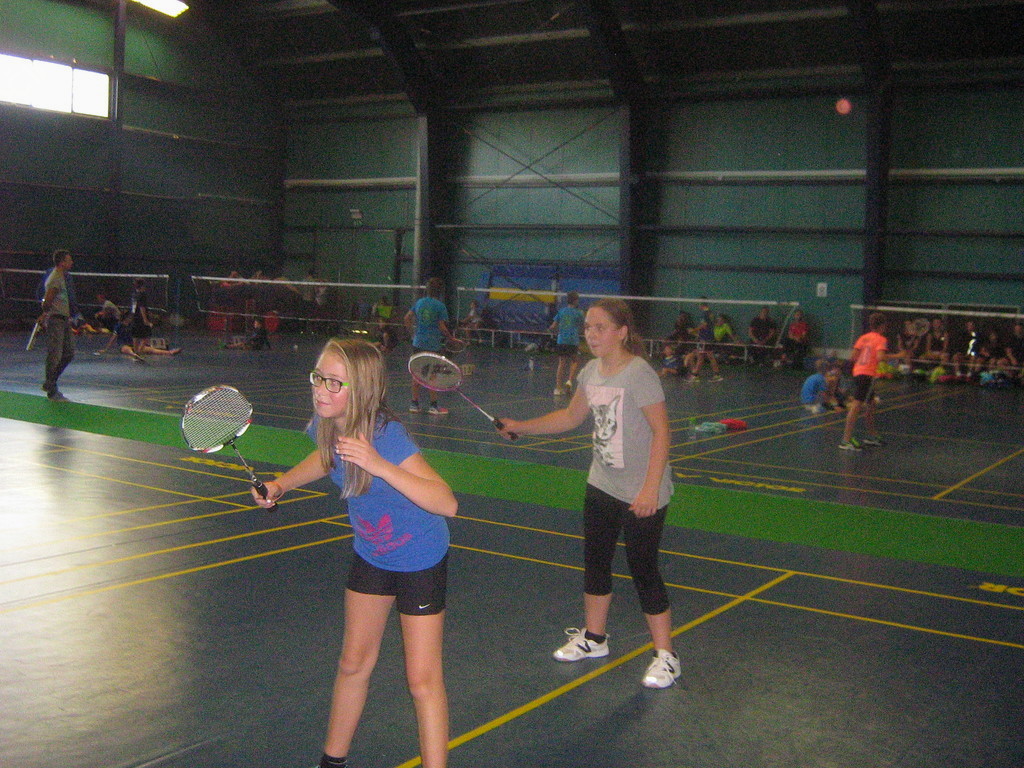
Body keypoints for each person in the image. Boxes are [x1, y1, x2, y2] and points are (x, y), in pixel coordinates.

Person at [251, 338, 457, 768]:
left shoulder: (386, 435)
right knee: (352, 663)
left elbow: (446, 503)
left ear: (361, 389)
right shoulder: (326, 422)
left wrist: (378, 464)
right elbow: (326, 458)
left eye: (334, 382)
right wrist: (282, 484)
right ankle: (332, 762)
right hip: (372, 553)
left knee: (421, 680)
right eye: (318, 377)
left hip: (419, 558)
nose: (320, 389)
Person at [496, 298, 680, 689]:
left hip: (642, 490)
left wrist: (650, 488)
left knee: (643, 569)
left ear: (622, 332)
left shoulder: (639, 374)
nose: (591, 335)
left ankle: (666, 656)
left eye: (600, 327)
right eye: (588, 328)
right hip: (602, 483)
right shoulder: (590, 372)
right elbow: (569, 417)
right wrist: (521, 426)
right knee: (595, 562)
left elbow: (662, 431)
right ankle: (595, 638)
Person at [404, 277, 458, 414]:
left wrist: (412, 334)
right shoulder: (440, 306)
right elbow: (442, 327)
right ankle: (433, 406)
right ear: (440, 292)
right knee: (432, 374)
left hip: (418, 343)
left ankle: (414, 404)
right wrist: (450, 338)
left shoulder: (419, 302)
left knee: (416, 373)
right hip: (433, 345)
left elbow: (407, 318)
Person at [839, 312, 888, 451]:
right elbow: (880, 357)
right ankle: (845, 440)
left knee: (871, 404)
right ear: (882, 326)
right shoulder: (881, 339)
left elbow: (853, 356)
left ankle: (872, 435)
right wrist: (899, 355)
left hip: (858, 372)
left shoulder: (863, 337)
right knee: (857, 405)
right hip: (867, 374)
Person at [36, 249, 76, 401]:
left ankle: (50, 382)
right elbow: (47, 301)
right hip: (56, 320)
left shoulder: (63, 277)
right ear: (62, 262)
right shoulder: (54, 279)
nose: (71, 262)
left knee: (69, 352)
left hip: (64, 320)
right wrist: (45, 313)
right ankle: (52, 390)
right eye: (69, 260)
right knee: (54, 355)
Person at [549, 291, 585, 395]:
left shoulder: (561, 311)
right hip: (573, 341)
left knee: (561, 363)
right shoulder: (579, 313)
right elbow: (583, 327)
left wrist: (552, 330)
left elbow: (553, 326)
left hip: (562, 341)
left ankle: (558, 388)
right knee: (574, 361)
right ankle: (569, 381)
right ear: (575, 301)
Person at [130, 277, 154, 356]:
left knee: (135, 336)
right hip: (141, 318)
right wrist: (145, 320)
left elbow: (134, 307)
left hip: (135, 317)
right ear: (142, 286)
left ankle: (136, 353)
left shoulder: (134, 294)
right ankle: (139, 352)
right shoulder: (142, 295)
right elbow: (142, 307)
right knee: (146, 335)